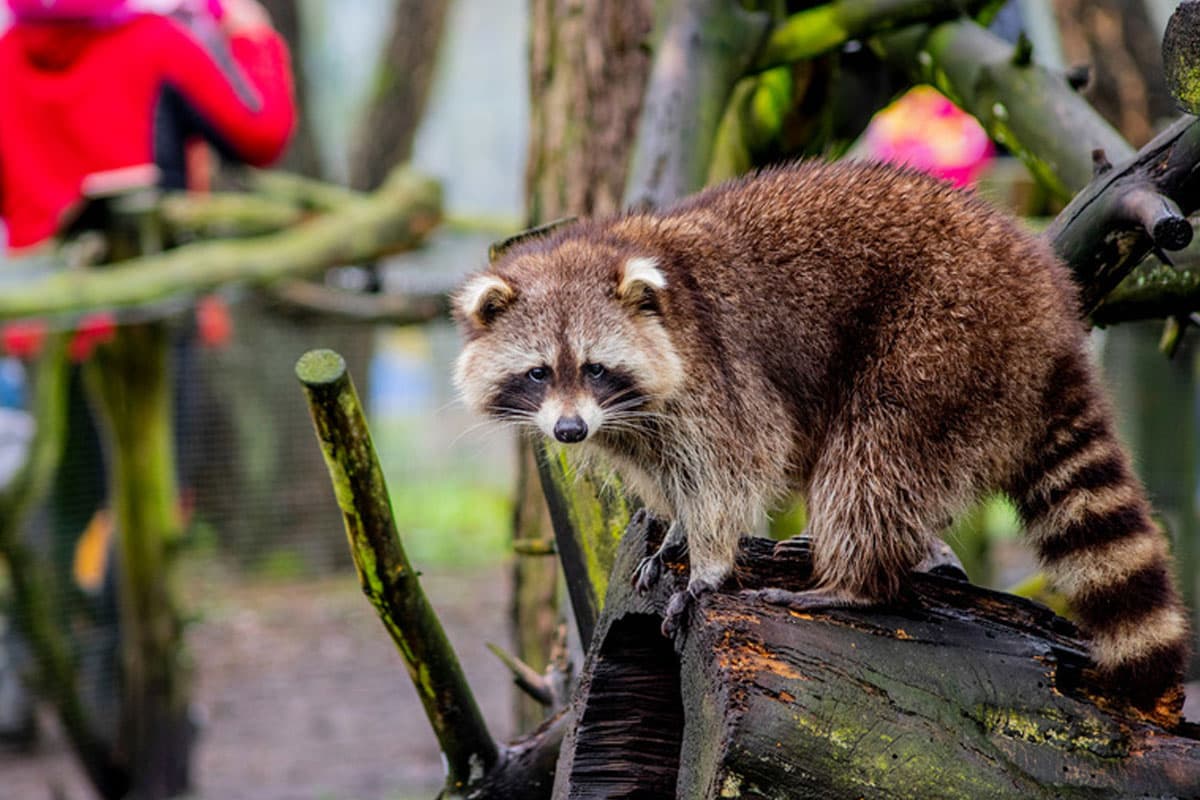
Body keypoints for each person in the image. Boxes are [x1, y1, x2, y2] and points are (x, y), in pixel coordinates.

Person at [0, 0, 295, 251]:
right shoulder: (157, 42)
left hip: (36, 299)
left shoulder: (6, 57)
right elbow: (260, 135)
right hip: (158, 298)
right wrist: (253, 40)